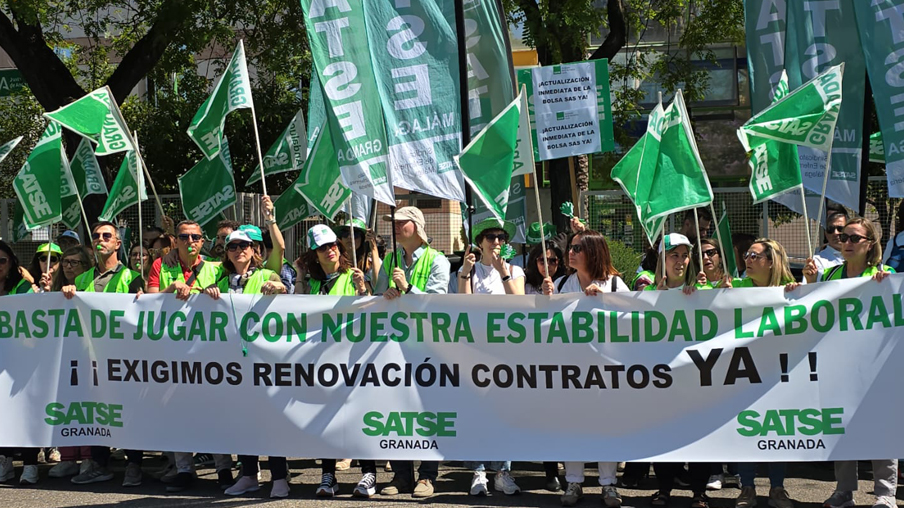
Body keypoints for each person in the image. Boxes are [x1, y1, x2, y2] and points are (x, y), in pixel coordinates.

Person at [794, 218, 898, 508]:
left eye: (854, 238)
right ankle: (843, 491)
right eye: (842, 237)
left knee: (881, 427)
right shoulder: (831, 275)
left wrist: (886, 286)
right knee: (840, 429)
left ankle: (885, 494)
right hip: (838, 365)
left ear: (870, 244)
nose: (845, 242)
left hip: (876, 365)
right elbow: (812, 309)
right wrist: (808, 285)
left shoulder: (884, 273)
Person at [540, 230, 627, 508]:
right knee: (572, 425)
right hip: (571, 369)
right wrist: (547, 300)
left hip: (607, 371)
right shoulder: (562, 282)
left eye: (578, 248)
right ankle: (574, 480)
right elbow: (547, 326)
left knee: (607, 426)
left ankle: (608, 484)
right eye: (572, 247)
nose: (571, 252)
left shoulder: (614, 284)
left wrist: (606, 302)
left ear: (594, 252)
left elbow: (633, 320)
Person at [200, 230, 287, 498]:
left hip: (263, 361)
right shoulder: (223, 281)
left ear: (254, 250)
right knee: (242, 421)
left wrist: (279, 287)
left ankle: (280, 478)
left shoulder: (264, 275)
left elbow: (285, 290)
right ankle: (248, 474)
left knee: (269, 420)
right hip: (233, 364)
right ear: (226, 253)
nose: (239, 250)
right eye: (232, 246)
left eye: (244, 245)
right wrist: (207, 292)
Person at [146, 220, 230, 492]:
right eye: (184, 236)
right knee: (177, 410)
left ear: (203, 241)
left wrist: (213, 294)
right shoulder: (162, 265)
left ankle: (224, 468)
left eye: (195, 237)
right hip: (173, 349)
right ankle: (184, 468)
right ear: (176, 240)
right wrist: (170, 291)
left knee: (215, 411)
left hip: (208, 350)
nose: (190, 241)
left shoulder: (216, 268)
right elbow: (149, 301)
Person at [59, 222, 144, 487]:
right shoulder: (83, 278)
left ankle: (134, 464)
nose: (100, 240)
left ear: (117, 244)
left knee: (127, 410)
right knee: (97, 410)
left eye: (107, 236)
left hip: (123, 357)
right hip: (91, 356)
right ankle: (99, 463)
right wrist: (68, 292)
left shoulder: (132, 277)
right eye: (96, 236)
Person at [377, 206, 450, 499]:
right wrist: (387, 293)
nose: (394, 227)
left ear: (416, 227)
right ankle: (401, 475)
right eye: (392, 223)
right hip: (394, 346)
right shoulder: (389, 259)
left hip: (427, 347)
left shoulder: (438, 260)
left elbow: (439, 302)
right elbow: (379, 294)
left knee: (426, 411)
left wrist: (407, 288)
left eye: (400, 223)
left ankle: (428, 476)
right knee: (396, 410)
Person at [296, 225, 373, 497]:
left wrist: (363, 289)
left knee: (358, 416)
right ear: (313, 254)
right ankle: (328, 475)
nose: (329, 250)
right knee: (326, 419)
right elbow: (297, 311)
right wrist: (300, 275)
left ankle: (368, 473)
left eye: (332, 245)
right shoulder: (314, 282)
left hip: (352, 358)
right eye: (321, 247)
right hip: (323, 361)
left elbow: (369, 311)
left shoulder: (352, 276)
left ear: (339, 248)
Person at [455, 218, 523, 496]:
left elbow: (520, 303)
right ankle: (479, 471)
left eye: (501, 237)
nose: (497, 242)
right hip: (475, 351)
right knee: (477, 411)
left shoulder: (515, 268)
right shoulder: (467, 269)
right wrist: (465, 273)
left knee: (504, 413)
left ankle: (503, 472)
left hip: (505, 352)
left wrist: (502, 272)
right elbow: (464, 305)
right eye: (491, 237)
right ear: (480, 241)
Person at [729, 238, 795, 508]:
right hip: (745, 370)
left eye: (755, 256)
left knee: (776, 430)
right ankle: (747, 488)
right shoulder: (737, 287)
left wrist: (805, 290)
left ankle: (778, 489)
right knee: (748, 428)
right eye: (747, 255)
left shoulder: (791, 289)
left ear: (771, 261)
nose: (748, 259)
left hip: (779, 370)